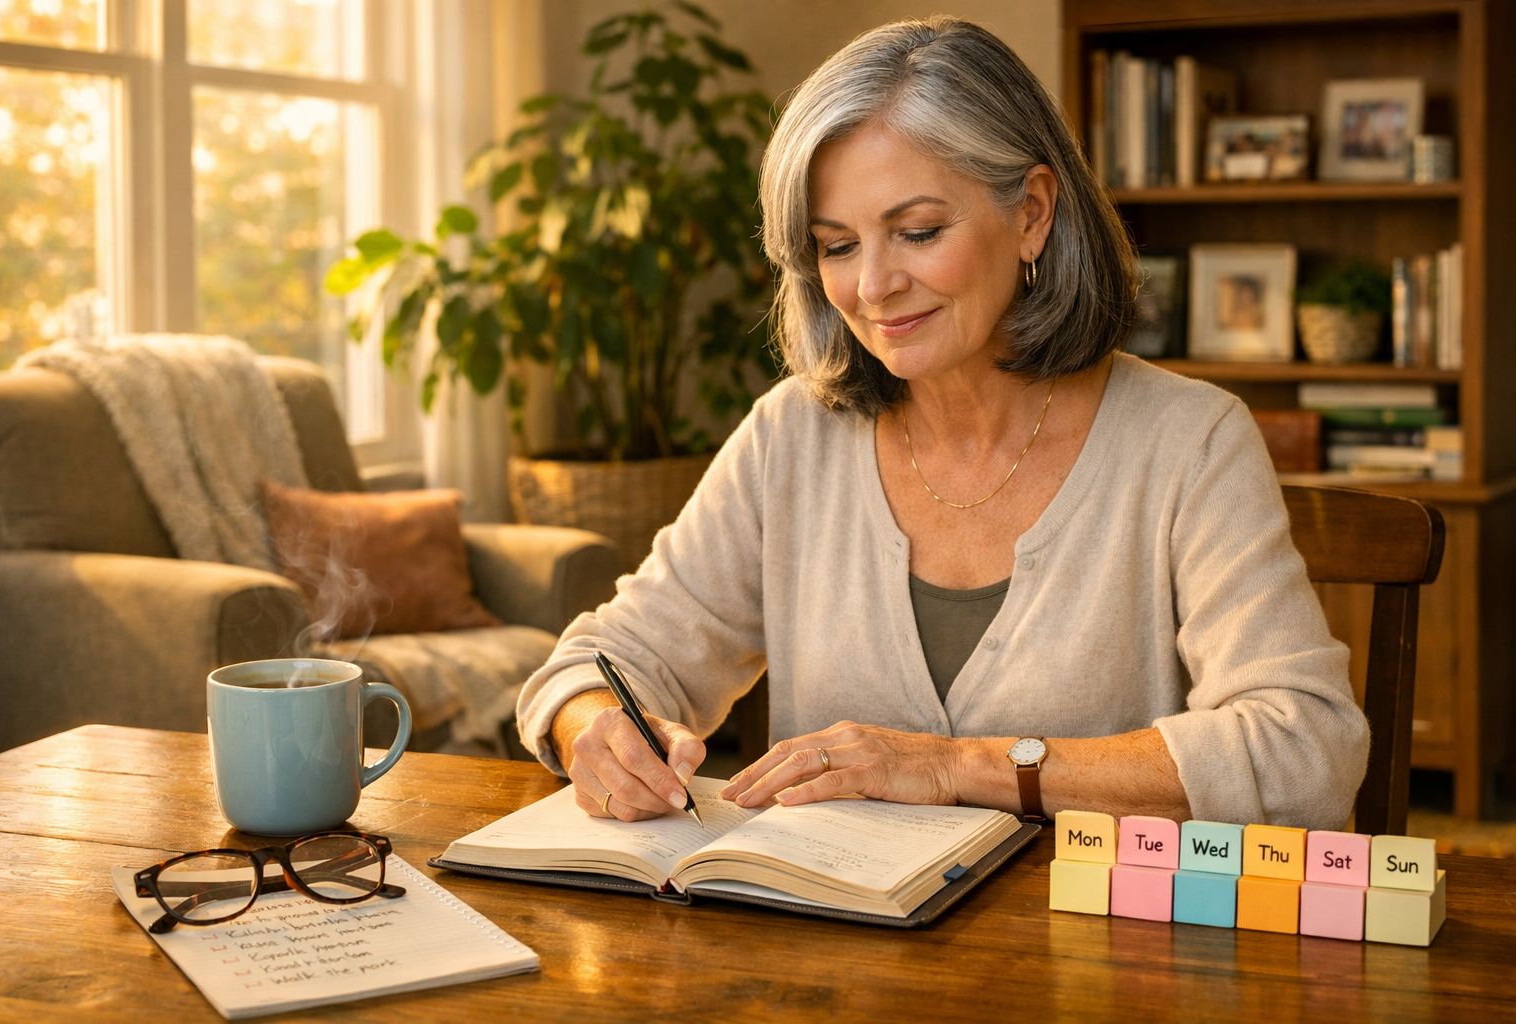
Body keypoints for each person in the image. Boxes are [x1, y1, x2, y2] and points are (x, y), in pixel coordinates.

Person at [516, 17, 1367, 831]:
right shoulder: (792, 439)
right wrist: (592, 727)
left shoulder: (1190, 442)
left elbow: (1306, 748)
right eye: (837, 246)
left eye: (917, 231)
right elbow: (603, 665)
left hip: (1099, 964)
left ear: (1032, 212)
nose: (873, 286)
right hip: (831, 968)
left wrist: (958, 766)